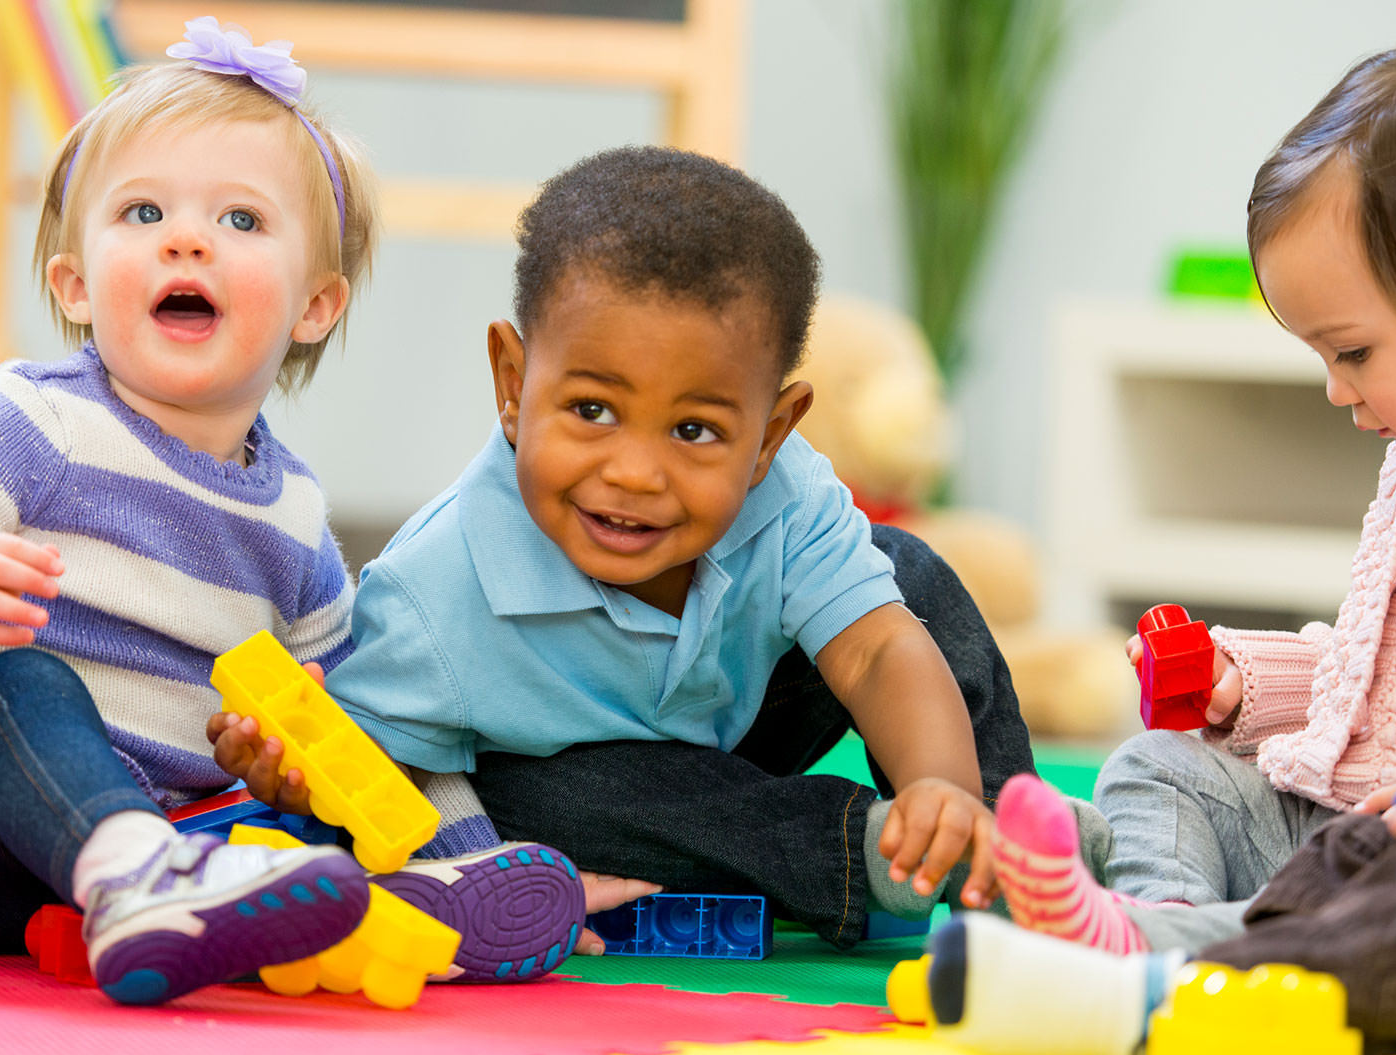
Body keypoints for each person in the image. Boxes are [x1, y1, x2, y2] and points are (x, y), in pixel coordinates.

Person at [889, 115, 1396, 1055]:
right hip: (1327, 817)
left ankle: (1168, 951)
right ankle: (1145, 917)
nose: (1333, 388)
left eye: (1354, 353)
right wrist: (1252, 681)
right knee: (1163, 763)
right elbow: (1376, 662)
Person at [266, 145, 1037, 950]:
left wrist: (941, 785)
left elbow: (876, 654)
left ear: (771, 435)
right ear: (512, 383)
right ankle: (868, 854)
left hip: (746, 716)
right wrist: (289, 779)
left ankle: (1002, 846)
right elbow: (364, 773)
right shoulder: (435, 596)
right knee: (548, 805)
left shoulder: (787, 495)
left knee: (903, 576)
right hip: (626, 794)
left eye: (695, 431)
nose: (635, 474)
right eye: (593, 410)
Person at [0, 19, 413, 1006]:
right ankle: (136, 876)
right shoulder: (28, 422)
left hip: (136, 852)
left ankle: (175, 892)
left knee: (302, 825)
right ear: (75, 287)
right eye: (142, 212)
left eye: (242, 221)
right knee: (19, 684)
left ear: (316, 307)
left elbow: (344, 718)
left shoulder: (295, 519)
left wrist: (289, 768)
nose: (186, 237)